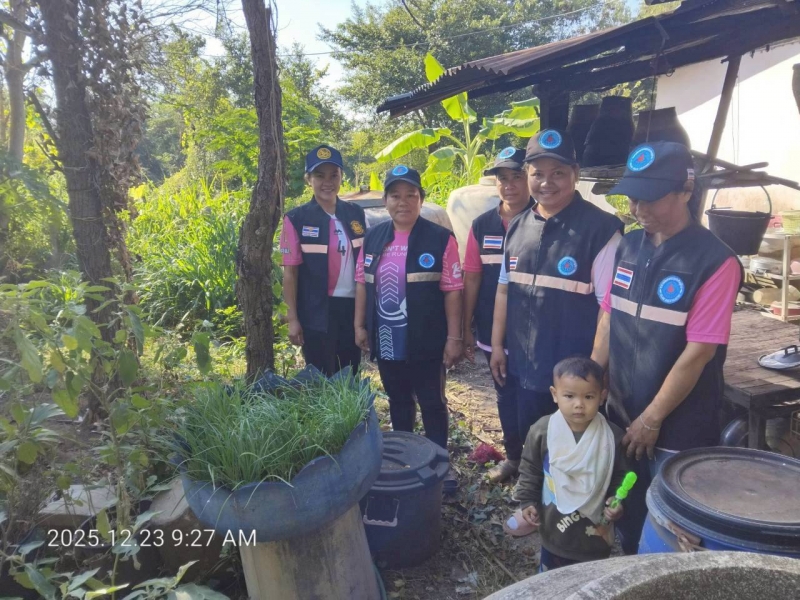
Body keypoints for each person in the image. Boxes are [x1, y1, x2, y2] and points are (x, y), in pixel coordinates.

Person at [591, 141, 742, 554]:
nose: (639, 209)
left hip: (677, 424)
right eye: (632, 198)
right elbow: (609, 316)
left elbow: (700, 352)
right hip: (623, 409)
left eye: (651, 198)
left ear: (685, 191)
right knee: (625, 507)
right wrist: (593, 379)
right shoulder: (628, 245)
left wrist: (653, 418)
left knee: (670, 526)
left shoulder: (716, 262)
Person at [489, 129, 623, 474]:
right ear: (527, 175)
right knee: (534, 442)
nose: (546, 183)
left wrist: (593, 374)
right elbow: (503, 289)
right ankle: (535, 497)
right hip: (524, 365)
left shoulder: (601, 229)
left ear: (575, 174)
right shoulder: (518, 225)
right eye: (538, 174)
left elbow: (609, 310)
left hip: (573, 378)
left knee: (572, 459)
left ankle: (561, 505)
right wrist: (497, 346)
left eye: (558, 173)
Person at [354, 165, 463, 491]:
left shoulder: (440, 238)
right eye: (395, 196)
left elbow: (453, 291)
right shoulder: (373, 237)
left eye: (411, 195)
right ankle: (405, 462)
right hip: (387, 337)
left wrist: (454, 337)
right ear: (385, 201)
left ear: (421, 199)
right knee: (399, 400)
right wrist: (360, 326)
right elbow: (362, 283)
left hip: (426, 338)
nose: (403, 202)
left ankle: (440, 465)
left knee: (432, 402)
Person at [506, 357, 629, 572]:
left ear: (602, 396)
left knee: (590, 580)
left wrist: (616, 501)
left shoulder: (613, 437)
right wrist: (527, 501)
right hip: (554, 527)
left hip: (594, 535)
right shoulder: (542, 431)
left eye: (588, 396)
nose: (579, 404)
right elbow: (530, 469)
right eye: (569, 396)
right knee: (551, 578)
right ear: (555, 394)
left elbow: (621, 476)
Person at [462, 147, 533, 483]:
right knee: (505, 394)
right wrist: (466, 327)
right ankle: (514, 458)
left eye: (517, 177)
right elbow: (472, 277)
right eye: (502, 179)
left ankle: (537, 467)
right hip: (493, 328)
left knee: (535, 397)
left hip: (534, 332)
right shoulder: (482, 225)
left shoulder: (543, 220)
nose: (509, 185)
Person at [280, 144, 366, 377]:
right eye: (320, 176)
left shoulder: (356, 213)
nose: (327, 182)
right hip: (316, 313)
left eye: (333, 175)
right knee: (320, 377)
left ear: (341, 177)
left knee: (349, 376)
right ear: (308, 179)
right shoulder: (296, 219)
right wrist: (292, 319)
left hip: (352, 310)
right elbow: (290, 274)